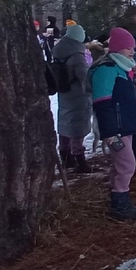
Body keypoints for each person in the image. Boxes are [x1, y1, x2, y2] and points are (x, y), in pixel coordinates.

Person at [89, 28, 136, 220]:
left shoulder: (121, 68)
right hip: (116, 128)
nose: (132, 51)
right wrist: (109, 131)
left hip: (125, 125)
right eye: (127, 48)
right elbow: (103, 103)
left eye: (132, 48)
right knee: (128, 164)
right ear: (116, 49)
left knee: (120, 164)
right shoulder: (106, 70)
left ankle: (117, 198)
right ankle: (120, 204)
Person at [52, 24, 93, 174]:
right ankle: (80, 159)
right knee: (78, 126)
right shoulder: (77, 55)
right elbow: (84, 77)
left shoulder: (58, 52)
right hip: (79, 95)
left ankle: (65, 155)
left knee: (65, 122)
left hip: (64, 93)